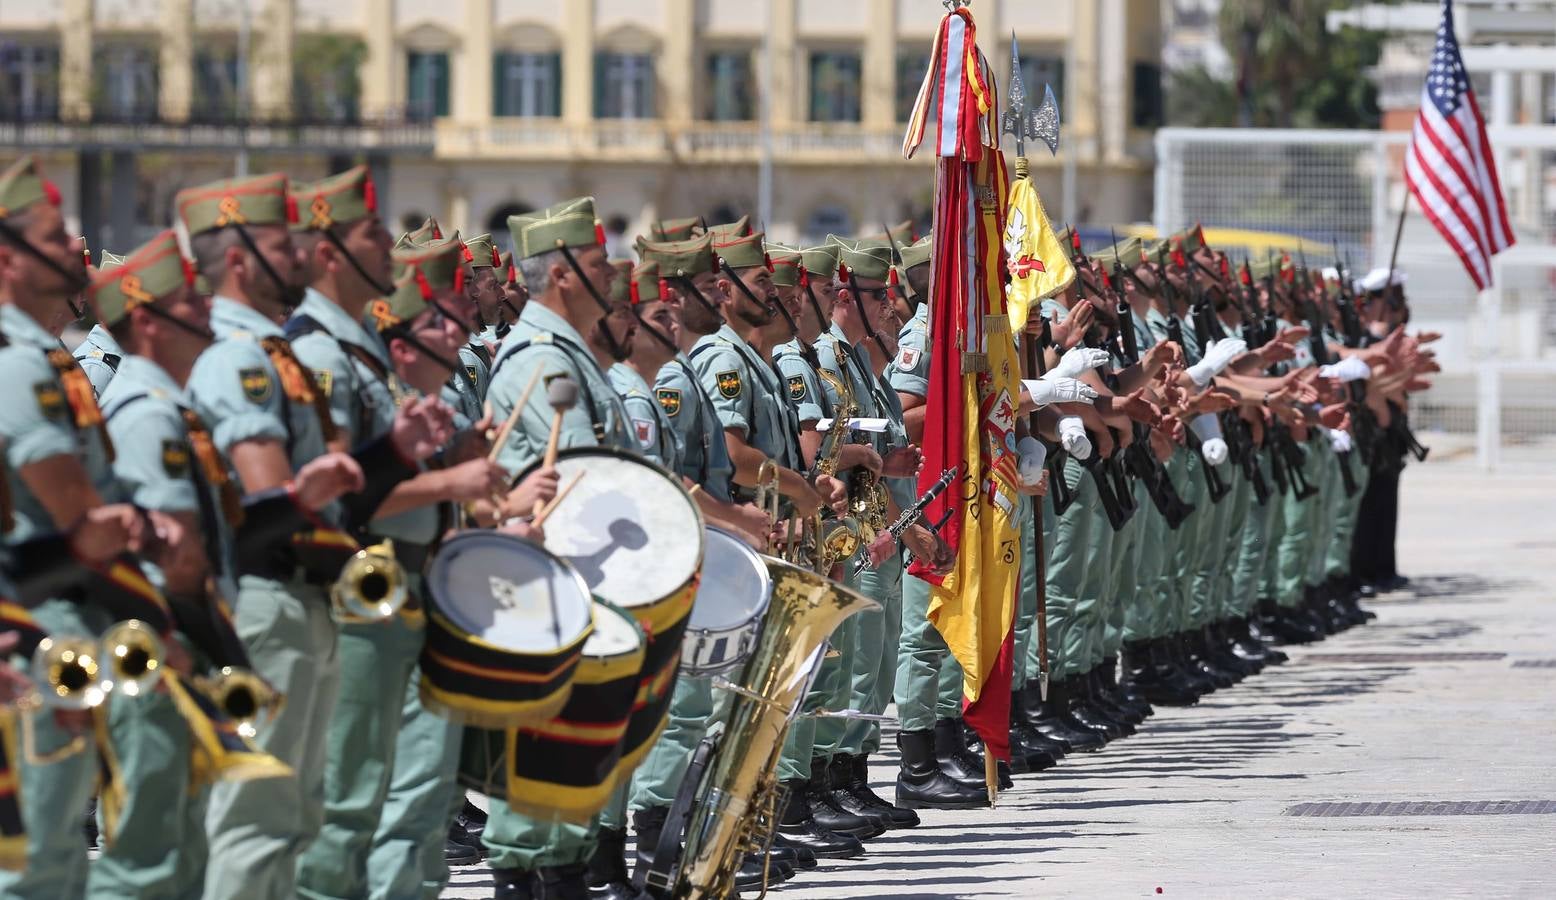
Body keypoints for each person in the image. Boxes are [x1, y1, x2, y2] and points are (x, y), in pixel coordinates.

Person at [179, 171, 450, 900]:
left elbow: (322, 497)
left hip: (305, 601)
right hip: (268, 601)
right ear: (239, 262)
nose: (299, 256)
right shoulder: (243, 358)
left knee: (294, 818)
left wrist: (389, 453)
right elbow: (272, 505)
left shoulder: (278, 355)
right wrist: (322, 488)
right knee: (256, 822)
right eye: (279, 245)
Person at [480, 196, 637, 900]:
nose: (610, 275)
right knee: (547, 742)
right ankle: (531, 874)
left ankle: (564, 868)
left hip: (585, 584)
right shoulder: (543, 359)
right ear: (564, 274)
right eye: (599, 263)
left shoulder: (568, 354)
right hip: (554, 584)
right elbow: (581, 476)